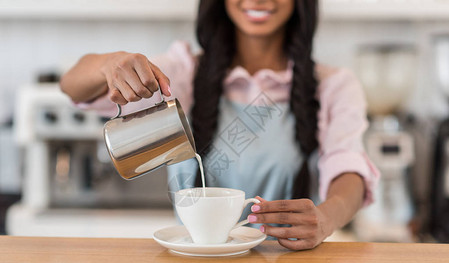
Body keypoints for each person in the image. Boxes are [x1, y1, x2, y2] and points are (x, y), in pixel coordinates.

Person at [60, 0, 379, 250]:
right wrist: (108, 65)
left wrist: (326, 218)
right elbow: (72, 86)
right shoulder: (182, 74)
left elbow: (347, 168)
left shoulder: (334, 85)